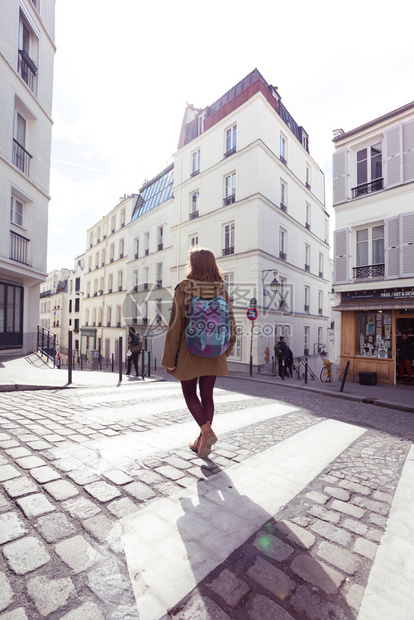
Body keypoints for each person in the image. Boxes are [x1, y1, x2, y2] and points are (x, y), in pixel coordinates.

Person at [161, 248, 236, 458]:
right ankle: (201, 441)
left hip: (189, 351)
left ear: (193, 264)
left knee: (189, 393)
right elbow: (231, 321)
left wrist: (170, 359)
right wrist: (226, 349)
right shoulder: (220, 288)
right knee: (207, 395)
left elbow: (175, 326)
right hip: (214, 351)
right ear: (212, 265)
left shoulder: (184, 287)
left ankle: (205, 432)